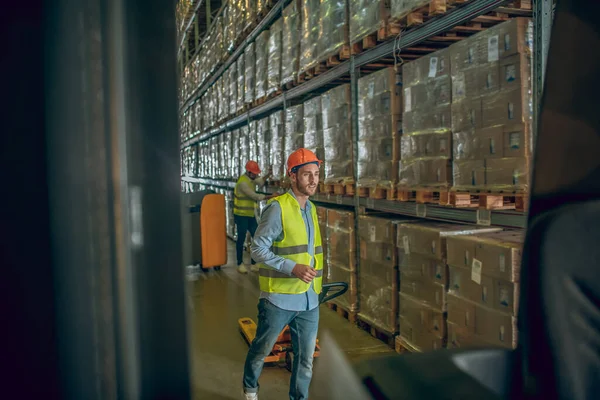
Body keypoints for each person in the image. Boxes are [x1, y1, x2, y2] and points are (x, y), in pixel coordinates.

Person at [243, 148, 323, 400]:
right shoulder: (277, 208)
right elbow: (256, 249)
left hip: (309, 299)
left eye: (317, 174)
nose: (313, 180)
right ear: (293, 176)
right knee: (260, 351)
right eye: (307, 174)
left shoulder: (311, 209)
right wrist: (292, 267)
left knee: (305, 359)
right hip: (278, 299)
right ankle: (250, 390)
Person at [234, 160, 274, 274]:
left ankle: (254, 263)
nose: (256, 175)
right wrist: (271, 196)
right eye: (255, 173)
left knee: (256, 237)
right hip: (241, 215)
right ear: (249, 172)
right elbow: (255, 196)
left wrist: (268, 175)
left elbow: (260, 182)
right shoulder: (243, 183)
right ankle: (239, 263)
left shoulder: (251, 179)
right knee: (241, 239)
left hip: (250, 215)